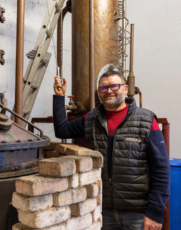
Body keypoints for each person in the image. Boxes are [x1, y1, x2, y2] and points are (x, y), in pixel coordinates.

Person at [53, 71, 170, 230]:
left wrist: (156, 212)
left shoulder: (146, 120)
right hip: (102, 210)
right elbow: (62, 130)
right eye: (103, 88)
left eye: (114, 86)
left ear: (125, 88)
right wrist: (59, 97)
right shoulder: (91, 119)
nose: (109, 90)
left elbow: (161, 168)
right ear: (99, 93)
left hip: (138, 214)